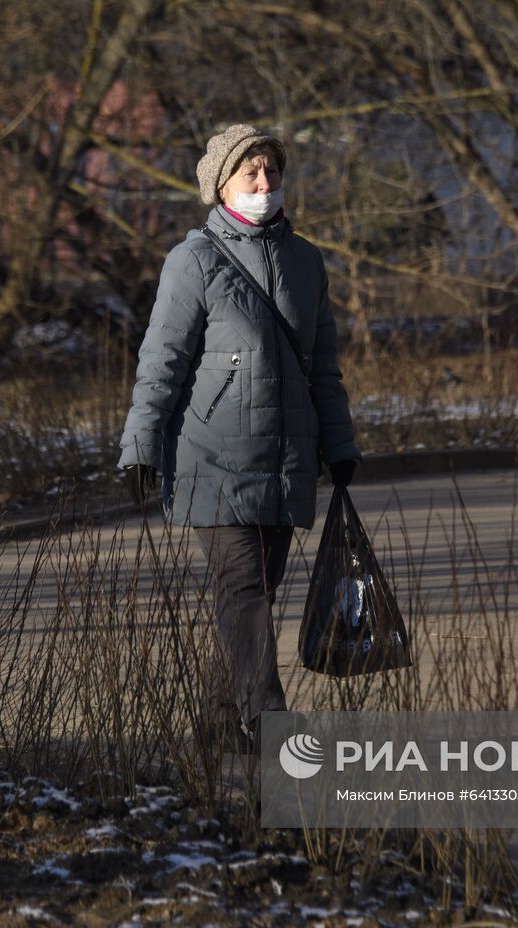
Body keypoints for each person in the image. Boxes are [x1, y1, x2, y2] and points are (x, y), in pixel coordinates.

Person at [117, 123, 361, 744]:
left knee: (249, 601)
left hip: (285, 459)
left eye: (271, 172)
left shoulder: (307, 262)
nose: (263, 183)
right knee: (245, 589)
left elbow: (324, 365)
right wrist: (141, 445)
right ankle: (270, 723)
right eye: (250, 173)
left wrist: (340, 444)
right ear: (221, 184)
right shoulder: (192, 261)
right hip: (211, 458)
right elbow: (161, 361)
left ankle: (218, 723)